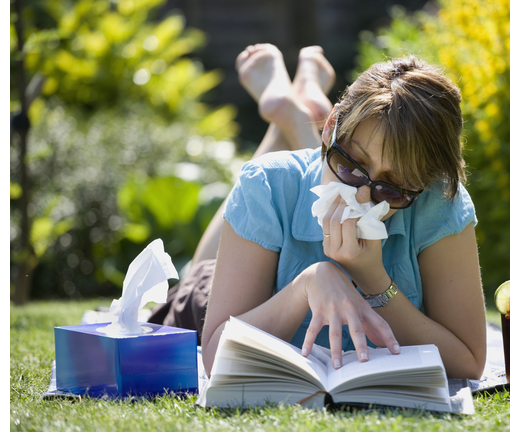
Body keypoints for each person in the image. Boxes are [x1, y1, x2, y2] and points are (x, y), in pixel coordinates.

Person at [149, 44, 486, 380]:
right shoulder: (266, 184)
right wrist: (305, 285)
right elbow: (214, 357)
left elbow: (469, 363)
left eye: (391, 187)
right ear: (330, 128)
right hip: (214, 293)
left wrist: (374, 281)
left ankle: (295, 118)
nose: (362, 196)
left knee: (301, 176)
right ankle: (292, 119)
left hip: (313, 171)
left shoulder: (436, 201)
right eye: (351, 165)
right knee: (202, 266)